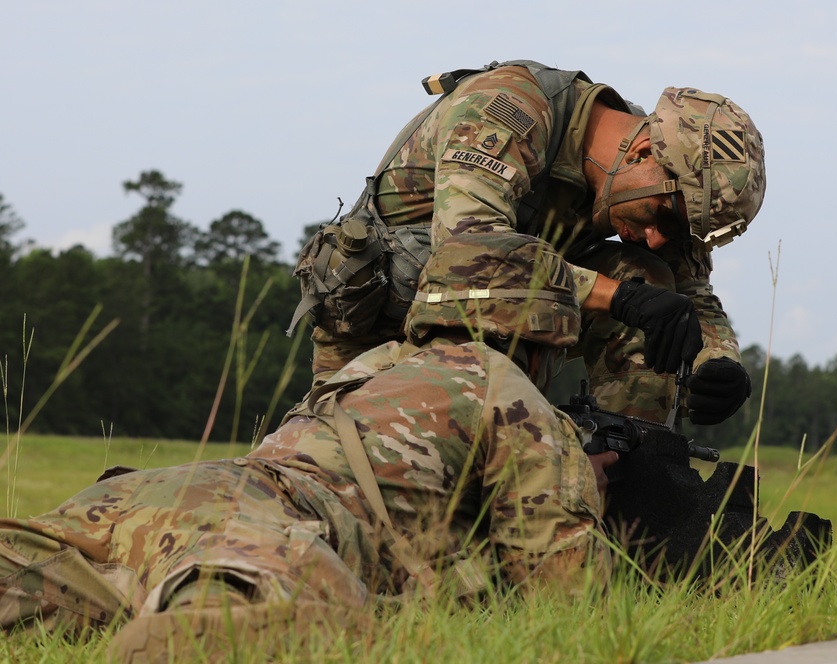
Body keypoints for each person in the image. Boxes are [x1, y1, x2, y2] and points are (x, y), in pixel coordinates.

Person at [0, 232, 615, 662]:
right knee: (222, 609)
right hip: (260, 521)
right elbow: (564, 592)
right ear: (543, 337)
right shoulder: (504, 385)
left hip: (148, 493)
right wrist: (588, 491)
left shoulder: (374, 365)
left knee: (34, 577)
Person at [291, 59, 766, 427]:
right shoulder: (506, 107)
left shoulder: (671, 185)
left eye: (678, 231)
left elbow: (692, 297)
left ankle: (629, 492)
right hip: (391, 319)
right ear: (643, 153)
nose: (658, 237)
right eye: (662, 216)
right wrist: (618, 297)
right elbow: (469, 250)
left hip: (507, 331)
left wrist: (718, 362)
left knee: (651, 286)